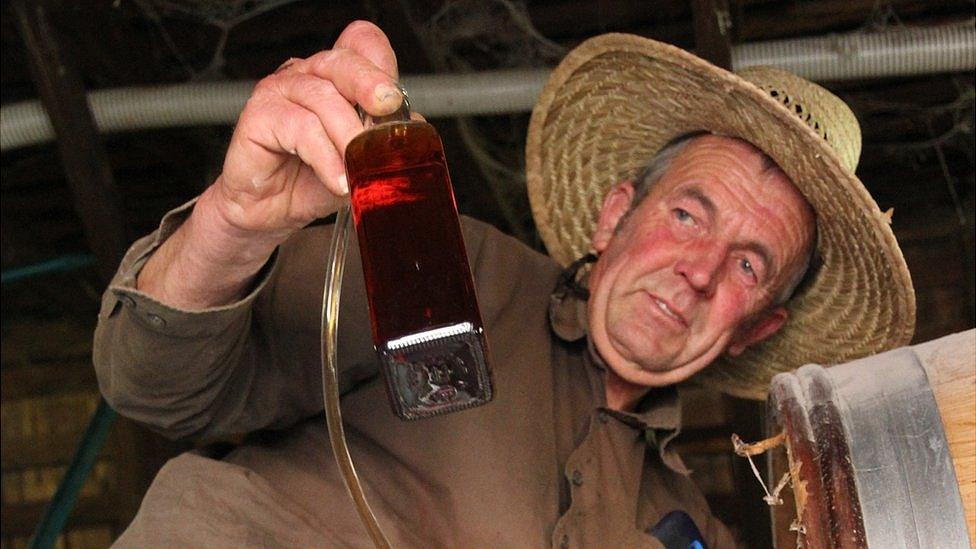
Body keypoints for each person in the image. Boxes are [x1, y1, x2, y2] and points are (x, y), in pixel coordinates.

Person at [92, 21, 915, 548]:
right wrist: (233, 221)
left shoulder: (690, 528)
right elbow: (159, 385)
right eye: (689, 215)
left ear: (756, 327)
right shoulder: (449, 265)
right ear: (614, 215)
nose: (696, 272)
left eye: (747, 264)